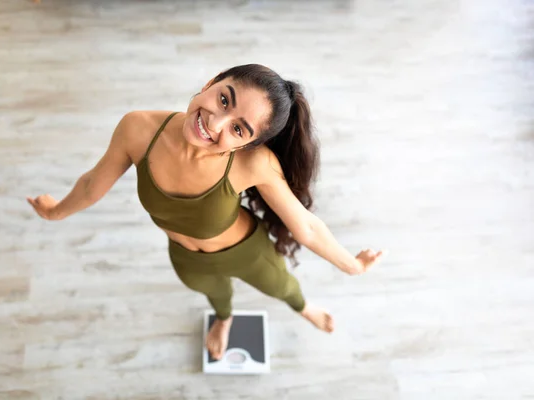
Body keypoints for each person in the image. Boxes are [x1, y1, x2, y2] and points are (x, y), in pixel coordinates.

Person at [27, 64, 385, 360]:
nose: (214, 124)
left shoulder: (253, 163)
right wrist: (56, 211)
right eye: (224, 99)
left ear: (249, 143)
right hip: (186, 258)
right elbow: (93, 184)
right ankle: (223, 320)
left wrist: (352, 265)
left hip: (246, 252)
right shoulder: (137, 129)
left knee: (282, 287)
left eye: (238, 128)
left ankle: (304, 307)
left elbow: (305, 225)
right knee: (214, 295)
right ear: (211, 83)